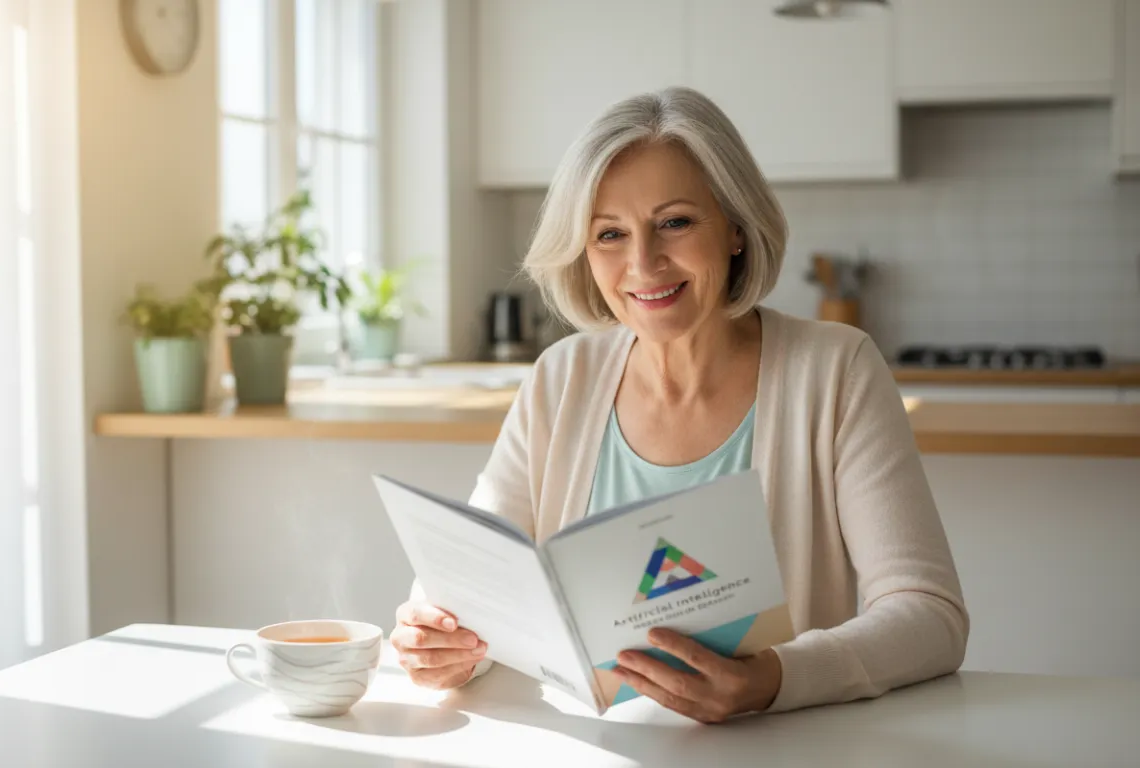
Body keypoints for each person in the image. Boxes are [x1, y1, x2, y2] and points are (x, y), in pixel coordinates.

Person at [390, 86, 969, 721]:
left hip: (781, 765)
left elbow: (929, 615)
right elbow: (477, 574)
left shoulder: (836, 370)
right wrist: (445, 641)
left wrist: (773, 678)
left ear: (737, 229)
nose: (643, 263)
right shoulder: (561, 378)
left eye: (675, 222)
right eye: (610, 234)